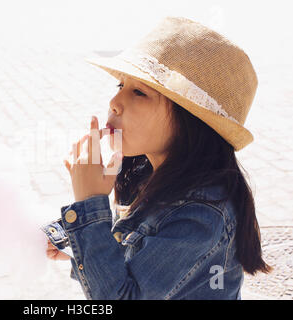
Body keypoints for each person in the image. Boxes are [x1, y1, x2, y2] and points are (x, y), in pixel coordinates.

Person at [41, 16, 272, 300]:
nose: (115, 102)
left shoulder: (201, 215)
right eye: (120, 86)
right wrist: (76, 239)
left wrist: (88, 205)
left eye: (139, 92)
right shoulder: (154, 175)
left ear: (191, 121)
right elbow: (131, 254)